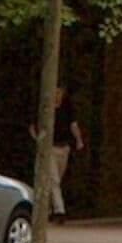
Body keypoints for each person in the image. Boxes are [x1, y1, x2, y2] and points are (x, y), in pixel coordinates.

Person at [44, 93, 86, 224]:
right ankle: (60, 211)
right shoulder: (47, 110)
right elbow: (35, 126)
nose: (57, 95)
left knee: (55, 181)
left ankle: (47, 209)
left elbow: (73, 125)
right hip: (51, 148)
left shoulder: (67, 110)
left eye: (59, 92)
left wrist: (78, 140)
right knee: (54, 180)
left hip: (64, 148)